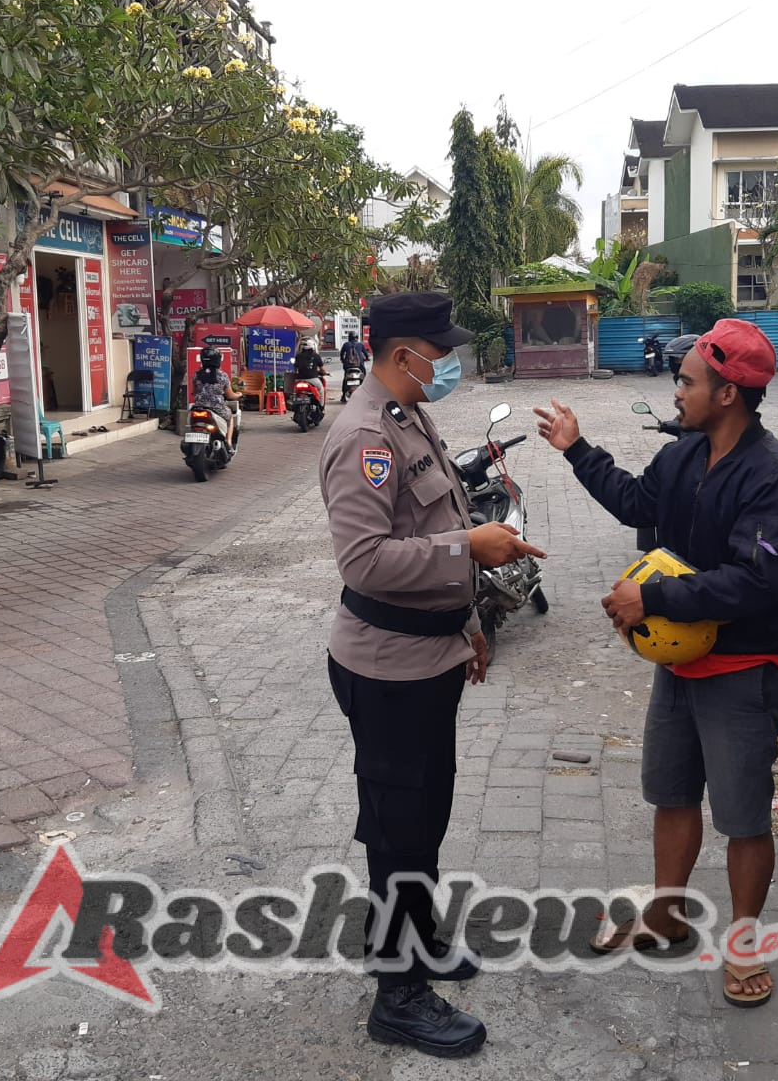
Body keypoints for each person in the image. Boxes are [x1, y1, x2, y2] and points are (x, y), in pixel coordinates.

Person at [534, 319, 778, 1010]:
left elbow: (755, 583)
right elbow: (637, 501)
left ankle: (744, 943)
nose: (677, 389)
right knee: (669, 795)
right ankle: (665, 915)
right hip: (683, 665)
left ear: (727, 393)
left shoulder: (777, 482)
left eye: (688, 380)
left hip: (747, 669)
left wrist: (652, 596)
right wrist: (579, 452)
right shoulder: (685, 456)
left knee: (743, 817)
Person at [319, 291, 545, 1058]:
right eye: (437, 350)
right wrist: (469, 551)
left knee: (425, 819)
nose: (447, 361)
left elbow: (440, 521)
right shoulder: (360, 437)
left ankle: (415, 938)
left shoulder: (411, 415)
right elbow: (365, 560)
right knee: (397, 834)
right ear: (398, 351)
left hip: (431, 657)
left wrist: (471, 624)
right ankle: (398, 993)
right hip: (385, 670)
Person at [191, 346, 241, 447]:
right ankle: (229, 442)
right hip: (216, 408)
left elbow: (194, 391)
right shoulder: (222, 376)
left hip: (198, 407)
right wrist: (239, 394)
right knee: (230, 416)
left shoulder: (197, 375)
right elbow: (230, 395)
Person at [294, 337, 328, 407]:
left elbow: (295, 368)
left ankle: (295, 404)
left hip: (299, 379)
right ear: (313, 346)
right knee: (321, 389)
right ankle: (321, 406)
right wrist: (325, 372)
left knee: (295, 392)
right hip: (312, 379)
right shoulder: (316, 356)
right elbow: (322, 369)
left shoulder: (298, 356)